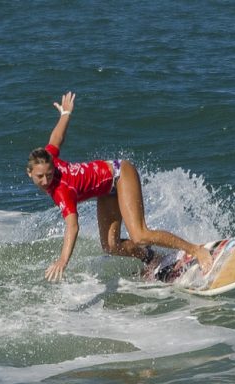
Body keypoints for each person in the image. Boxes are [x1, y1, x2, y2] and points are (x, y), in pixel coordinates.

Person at [27, 92, 213, 282]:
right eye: (40, 176)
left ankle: (196, 249)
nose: (45, 180)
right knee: (111, 246)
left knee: (140, 234)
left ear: (52, 166)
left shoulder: (61, 190)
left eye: (49, 175)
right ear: (29, 173)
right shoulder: (48, 158)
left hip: (119, 174)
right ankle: (153, 259)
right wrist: (65, 114)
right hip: (106, 190)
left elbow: (73, 227)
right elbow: (55, 140)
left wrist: (63, 260)